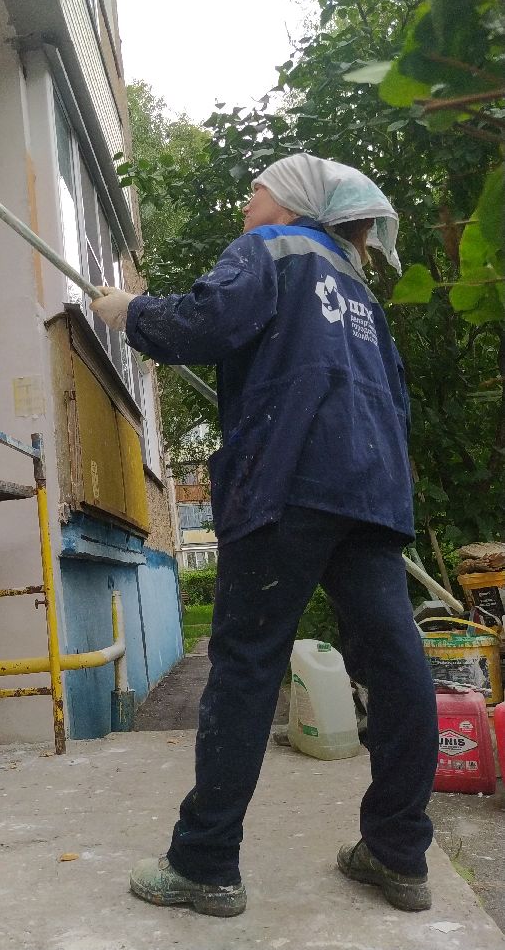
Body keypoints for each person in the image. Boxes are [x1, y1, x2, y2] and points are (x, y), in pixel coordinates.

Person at [90, 153, 438, 917]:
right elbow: (397, 400)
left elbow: (208, 322)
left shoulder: (270, 250)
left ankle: (205, 863)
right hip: (372, 491)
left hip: (286, 480)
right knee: (396, 663)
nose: (246, 204)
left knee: (247, 666)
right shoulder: (358, 291)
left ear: (292, 204)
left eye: (255, 190)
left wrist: (129, 314)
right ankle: (398, 853)